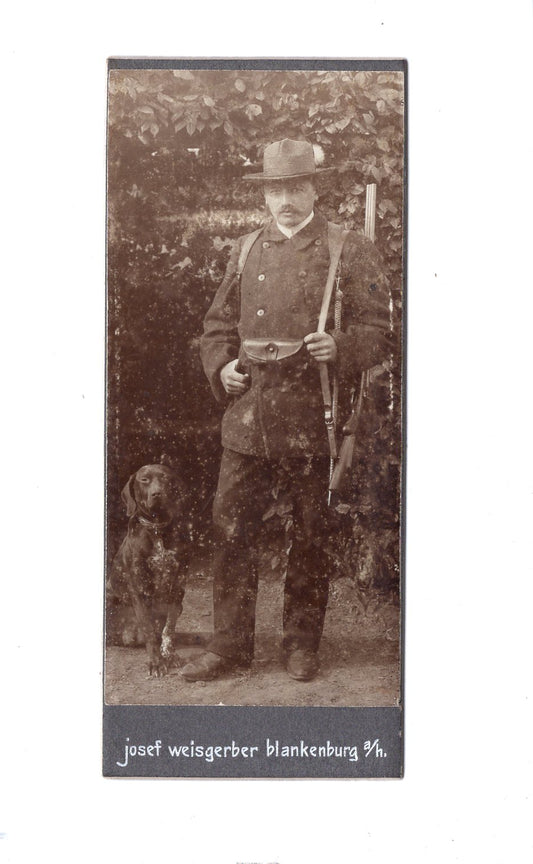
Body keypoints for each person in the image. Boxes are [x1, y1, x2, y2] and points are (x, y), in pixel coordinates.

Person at [181, 139, 392, 683]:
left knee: (309, 533)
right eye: (277, 190)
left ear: (314, 189)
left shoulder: (349, 249)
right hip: (249, 421)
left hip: (311, 419)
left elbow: (381, 332)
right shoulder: (247, 248)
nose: (287, 200)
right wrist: (221, 368)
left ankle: (301, 644)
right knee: (230, 531)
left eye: (296, 188)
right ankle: (228, 646)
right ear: (266, 196)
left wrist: (342, 348)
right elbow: (216, 326)